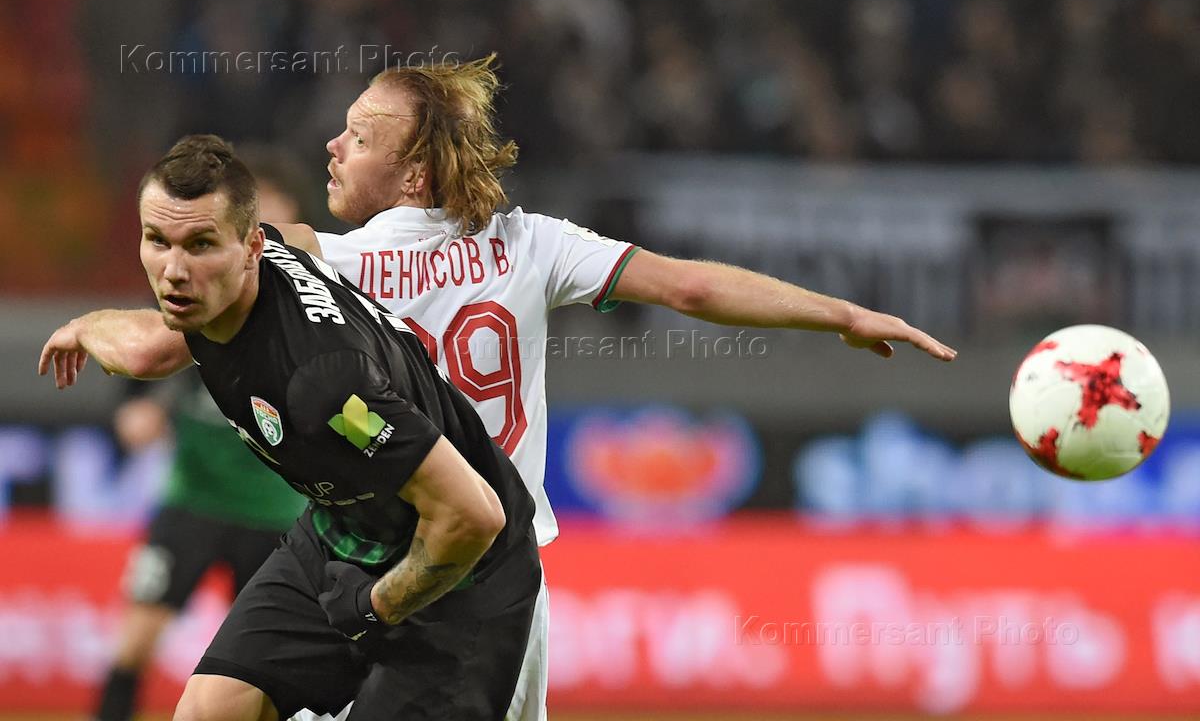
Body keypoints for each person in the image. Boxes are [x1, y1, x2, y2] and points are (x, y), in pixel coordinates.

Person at [44, 56, 957, 721]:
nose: (334, 146)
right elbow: (689, 288)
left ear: (413, 171)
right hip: (445, 555)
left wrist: (93, 326)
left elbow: (180, 328)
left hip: (459, 553)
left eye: (358, 137)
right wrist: (838, 313)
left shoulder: (324, 256)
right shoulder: (532, 244)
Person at [40, 135, 541, 720]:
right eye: (157, 241)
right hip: (340, 534)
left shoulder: (326, 384)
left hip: (462, 575)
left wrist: (375, 608)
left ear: (252, 246)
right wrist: (83, 327)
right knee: (208, 712)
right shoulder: (216, 291)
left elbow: (473, 514)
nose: (174, 271)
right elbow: (149, 349)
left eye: (201, 244)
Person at [94, 150, 311, 721]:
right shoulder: (192, 289)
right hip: (192, 499)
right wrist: (135, 414)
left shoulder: (312, 310)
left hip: (275, 513)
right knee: (134, 642)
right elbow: (139, 376)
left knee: (262, 674)